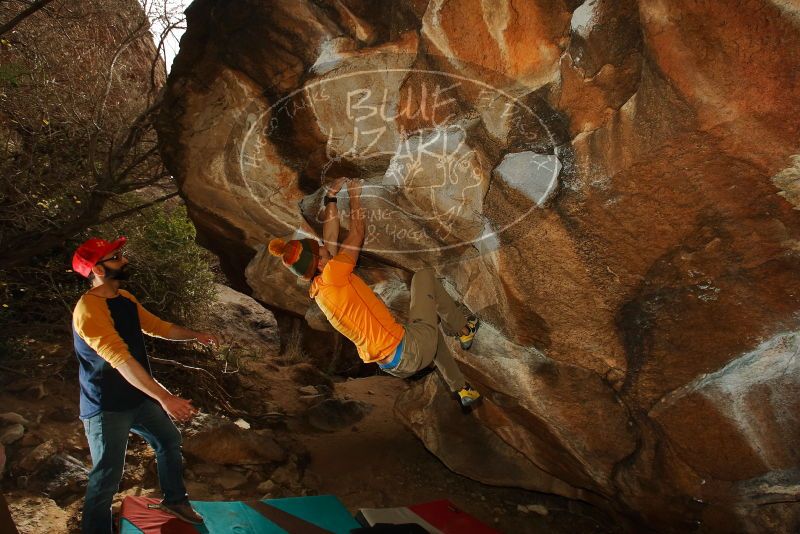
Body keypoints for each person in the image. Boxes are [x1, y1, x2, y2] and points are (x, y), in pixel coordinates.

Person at [268, 179, 481, 407]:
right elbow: (357, 233)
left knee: (430, 336)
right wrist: (355, 196)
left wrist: (331, 197)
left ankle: (463, 390)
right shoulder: (332, 274)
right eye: (317, 248)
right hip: (408, 350)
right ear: (319, 262)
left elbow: (330, 238)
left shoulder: (320, 287)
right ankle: (463, 329)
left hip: (394, 364)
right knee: (424, 276)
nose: (322, 245)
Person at [71, 237, 219, 533]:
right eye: (116, 257)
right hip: (106, 407)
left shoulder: (124, 298)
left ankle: (175, 501)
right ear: (98, 268)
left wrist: (196, 334)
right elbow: (121, 359)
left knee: (168, 440)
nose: (124, 260)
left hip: (137, 398)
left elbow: (158, 327)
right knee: (107, 477)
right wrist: (165, 398)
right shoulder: (89, 310)